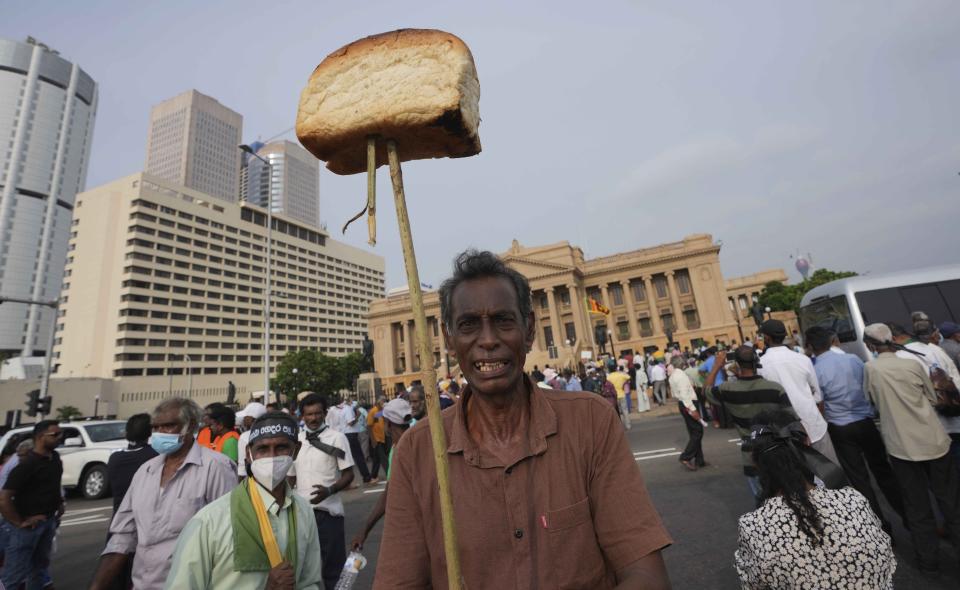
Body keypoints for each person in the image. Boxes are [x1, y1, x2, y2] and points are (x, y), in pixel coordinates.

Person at [374, 249, 672, 589]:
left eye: (503, 320)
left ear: (529, 330)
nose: (488, 340)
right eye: (469, 324)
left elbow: (646, 572)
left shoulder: (590, 422)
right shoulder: (420, 451)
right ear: (449, 340)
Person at [735, 410, 895, 589]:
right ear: (807, 444)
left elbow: (753, 584)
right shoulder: (854, 500)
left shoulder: (754, 527)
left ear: (755, 462)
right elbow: (886, 563)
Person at [89, 398, 236, 590]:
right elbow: (122, 537)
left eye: (168, 426)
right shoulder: (145, 471)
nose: (160, 433)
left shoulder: (216, 468)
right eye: (156, 427)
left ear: (190, 425)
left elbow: (228, 538)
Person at [165, 412, 323, 588]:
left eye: (281, 448)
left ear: (296, 450)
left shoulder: (303, 511)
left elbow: (309, 581)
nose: (272, 457)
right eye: (262, 449)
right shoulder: (209, 522)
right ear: (249, 454)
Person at [862, 323, 960, 574]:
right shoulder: (912, 364)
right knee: (950, 502)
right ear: (891, 339)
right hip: (934, 440)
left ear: (870, 345)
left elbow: (872, 400)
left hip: (901, 447)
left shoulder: (871, 368)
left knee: (917, 507)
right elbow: (930, 397)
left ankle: (928, 563)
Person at [805, 326, 904, 531]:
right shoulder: (852, 360)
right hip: (865, 422)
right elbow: (866, 385)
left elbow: (819, 400)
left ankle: (880, 527)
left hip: (840, 427)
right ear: (832, 340)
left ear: (810, 347)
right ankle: (908, 516)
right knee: (884, 472)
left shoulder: (815, 369)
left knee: (860, 480)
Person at [704, 347, 796, 503]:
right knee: (788, 500)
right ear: (756, 363)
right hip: (779, 453)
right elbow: (792, 421)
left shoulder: (728, 390)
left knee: (763, 502)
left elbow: (706, 390)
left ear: (737, 365)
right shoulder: (774, 388)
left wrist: (717, 366)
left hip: (751, 456)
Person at [291, 393, 355, 590]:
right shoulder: (297, 440)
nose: (313, 418)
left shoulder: (337, 438)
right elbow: (291, 477)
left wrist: (329, 490)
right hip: (302, 515)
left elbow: (349, 474)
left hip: (330, 512)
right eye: (308, 414)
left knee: (334, 568)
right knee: (303, 569)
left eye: (318, 413)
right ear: (302, 416)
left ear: (325, 413)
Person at [757, 319, 840, 465]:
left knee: (802, 478)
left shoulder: (761, 365)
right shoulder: (803, 359)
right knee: (831, 475)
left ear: (767, 338)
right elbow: (818, 396)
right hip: (813, 424)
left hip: (785, 431)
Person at [0, 421, 63, 590]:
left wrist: (59, 504)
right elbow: (4, 498)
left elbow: (54, 484)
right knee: (14, 575)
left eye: (60, 434)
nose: (60, 438)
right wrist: (18, 522)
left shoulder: (55, 459)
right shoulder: (27, 464)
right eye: (55, 435)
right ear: (41, 437)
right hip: (27, 529)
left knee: (38, 570)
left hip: (48, 522)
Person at [350, 398, 414, 552]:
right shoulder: (415, 441)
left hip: (410, 526)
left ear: (388, 424)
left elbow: (389, 493)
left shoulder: (400, 449)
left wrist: (364, 529)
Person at [107, 413, 158, 514]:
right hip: (144, 519)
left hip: (118, 520)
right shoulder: (154, 456)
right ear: (150, 432)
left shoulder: (114, 458)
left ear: (126, 432)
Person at [669, 357, 704, 471]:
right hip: (688, 403)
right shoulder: (681, 376)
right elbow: (684, 395)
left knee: (694, 432)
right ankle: (686, 457)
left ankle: (700, 460)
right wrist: (692, 409)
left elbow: (675, 394)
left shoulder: (673, 375)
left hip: (683, 404)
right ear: (682, 364)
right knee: (698, 432)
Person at [340, 397, 376, 485]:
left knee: (348, 458)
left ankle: (347, 483)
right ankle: (367, 478)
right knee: (359, 457)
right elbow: (351, 423)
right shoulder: (348, 410)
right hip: (350, 434)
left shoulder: (345, 409)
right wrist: (358, 416)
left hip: (348, 434)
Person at [236, 401, 268, 478]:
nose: (243, 419)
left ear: (253, 419)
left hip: (253, 481)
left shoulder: (245, 437)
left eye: (246, 417)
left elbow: (242, 469)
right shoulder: (273, 433)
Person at [367, 395, 389, 479]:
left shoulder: (381, 411)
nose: (384, 402)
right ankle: (389, 473)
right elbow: (369, 426)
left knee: (377, 458)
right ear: (378, 402)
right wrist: (373, 440)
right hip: (376, 438)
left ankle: (373, 475)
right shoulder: (373, 411)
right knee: (383, 458)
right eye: (382, 401)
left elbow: (383, 422)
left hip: (382, 438)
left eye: (385, 400)